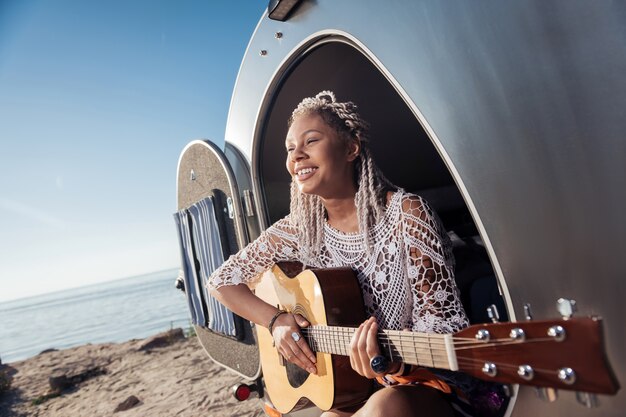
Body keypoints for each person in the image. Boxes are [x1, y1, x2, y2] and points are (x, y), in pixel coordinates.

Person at [207, 91, 490, 417]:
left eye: (310, 141)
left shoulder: (407, 214)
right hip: (358, 387)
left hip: (428, 384)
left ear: (351, 148)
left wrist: (391, 362)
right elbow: (222, 280)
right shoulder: (300, 230)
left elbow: (442, 331)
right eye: (289, 148)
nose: (296, 155)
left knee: (384, 408)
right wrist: (277, 321)